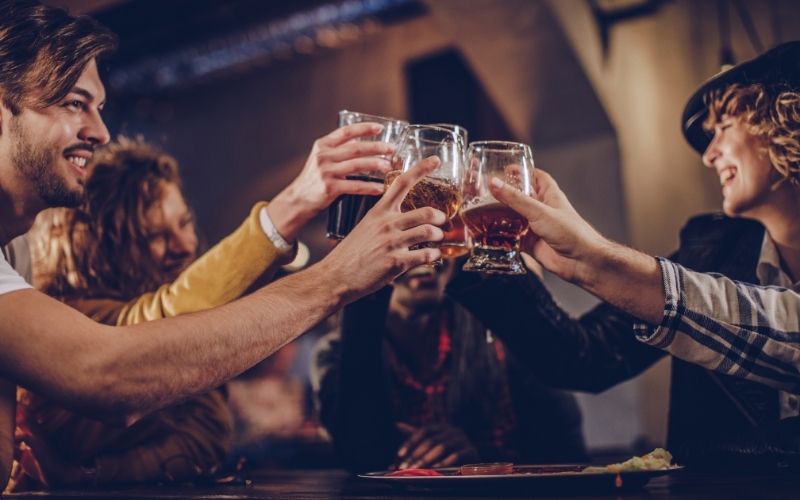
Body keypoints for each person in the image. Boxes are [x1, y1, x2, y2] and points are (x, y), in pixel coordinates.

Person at [0, 0, 446, 489]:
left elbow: (187, 399)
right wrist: (337, 276)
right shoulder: (62, 294)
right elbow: (113, 372)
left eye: (99, 108)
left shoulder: (13, 249)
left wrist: (298, 208)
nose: (101, 131)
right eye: (73, 103)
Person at [447, 41, 800, 469]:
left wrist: (596, 259)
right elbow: (586, 358)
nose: (709, 154)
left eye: (724, 126)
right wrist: (495, 259)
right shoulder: (710, 250)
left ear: (787, 122)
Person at [10, 136, 312, 488]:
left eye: (184, 223)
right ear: (97, 247)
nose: (184, 246)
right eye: (153, 235)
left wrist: (86, 475)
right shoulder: (70, 315)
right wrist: (289, 213)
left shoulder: (166, 337)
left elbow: (205, 435)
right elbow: (169, 314)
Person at [312, 261, 586, 473]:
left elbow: (566, 449)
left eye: (439, 232)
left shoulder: (499, 329)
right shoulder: (334, 352)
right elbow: (356, 455)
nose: (427, 254)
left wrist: (481, 458)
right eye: (406, 237)